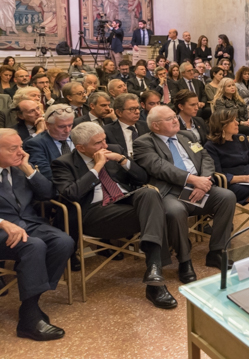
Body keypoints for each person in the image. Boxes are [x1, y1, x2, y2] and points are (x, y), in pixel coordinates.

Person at [51, 122, 175, 309]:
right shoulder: (63, 163)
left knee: (150, 194)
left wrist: (123, 161)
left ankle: (154, 276)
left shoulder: (115, 150)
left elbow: (142, 178)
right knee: (155, 213)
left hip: (124, 202)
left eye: (104, 140)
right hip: (95, 214)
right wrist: (98, 166)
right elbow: (71, 194)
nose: (104, 146)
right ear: (80, 148)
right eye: (98, 143)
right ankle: (155, 277)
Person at [133, 106, 237, 282]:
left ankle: (217, 251)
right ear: (156, 126)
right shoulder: (143, 143)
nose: (175, 120)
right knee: (175, 212)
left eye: (175, 116)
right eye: (169, 119)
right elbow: (159, 167)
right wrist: (192, 180)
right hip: (169, 192)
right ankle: (184, 260)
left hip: (199, 186)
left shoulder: (186, 136)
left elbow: (206, 158)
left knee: (227, 197)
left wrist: (203, 181)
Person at [0, 128, 74, 341]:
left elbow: (48, 194)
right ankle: (29, 319)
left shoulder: (18, 167)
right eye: (13, 149)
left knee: (63, 241)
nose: (20, 152)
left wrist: (26, 168)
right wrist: (3, 222)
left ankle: (29, 306)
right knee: (34, 246)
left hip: (29, 224)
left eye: (21, 147)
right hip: (3, 229)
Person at [204, 109, 249, 253]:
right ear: (222, 125)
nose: (237, 123)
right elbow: (218, 175)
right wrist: (245, 178)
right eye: (232, 120)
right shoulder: (211, 146)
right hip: (231, 184)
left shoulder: (241, 139)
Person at [23, 105, 75, 181]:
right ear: (48, 125)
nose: (67, 130)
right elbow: (46, 174)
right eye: (61, 127)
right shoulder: (35, 144)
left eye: (70, 125)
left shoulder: (76, 137)